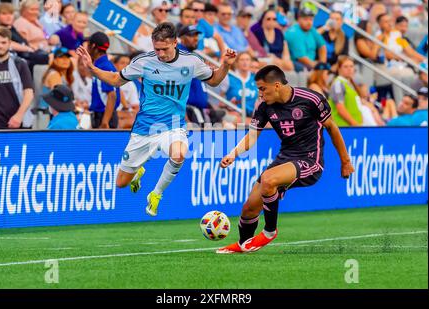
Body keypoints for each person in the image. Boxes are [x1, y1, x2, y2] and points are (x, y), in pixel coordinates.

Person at [76, 22, 236, 216]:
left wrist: (226, 65)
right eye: (156, 49)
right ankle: (137, 171)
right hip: (144, 128)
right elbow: (116, 80)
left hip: (173, 125)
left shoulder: (191, 62)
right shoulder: (144, 62)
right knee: (121, 183)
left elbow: (214, 80)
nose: (160, 54)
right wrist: (91, 68)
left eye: (164, 49)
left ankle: (156, 194)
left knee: (178, 154)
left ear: (175, 43)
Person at [216, 65, 354, 254]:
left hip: (310, 160)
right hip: (285, 158)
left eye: (262, 89)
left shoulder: (311, 99)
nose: (260, 94)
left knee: (268, 179)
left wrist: (345, 161)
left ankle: (269, 231)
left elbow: (332, 128)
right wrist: (233, 153)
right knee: (249, 208)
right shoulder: (264, 107)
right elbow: (252, 136)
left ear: (277, 85)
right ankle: (243, 245)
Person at [0, 26, 34, 130]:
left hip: (15, 121)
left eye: (4, 43)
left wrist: (19, 115)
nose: (0, 46)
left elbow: (29, 93)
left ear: (9, 43)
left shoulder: (20, 64)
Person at [85, 31, 121, 129]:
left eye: (88, 45)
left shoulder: (103, 67)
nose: (87, 48)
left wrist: (105, 122)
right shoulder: (101, 65)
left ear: (93, 46)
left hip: (104, 117)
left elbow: (112, 95)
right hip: (102, 115)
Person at [284, 8, 327, 72]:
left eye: (311, 19)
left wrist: (322, 64)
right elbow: (301, 58)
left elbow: (322, 46)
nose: (309, 22)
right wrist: (319, 67)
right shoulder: (293, 32)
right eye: (305, 19)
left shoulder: (311, 30)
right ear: (298, 19)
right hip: (297, 64)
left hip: (310, 63)